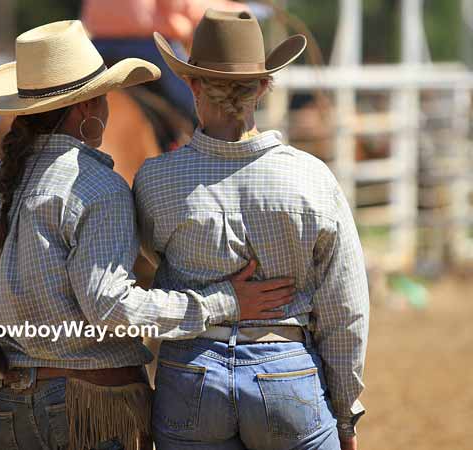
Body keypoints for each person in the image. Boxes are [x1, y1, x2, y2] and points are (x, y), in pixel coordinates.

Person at [0, 20, 295, 450]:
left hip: (7, 405)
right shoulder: (97, 188)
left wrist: (20, 355)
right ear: (86, 110)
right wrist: (223, 301)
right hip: (92, 407)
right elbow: (110, 306)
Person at [133, 10, 369, 450]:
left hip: (192, 369)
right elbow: (345, 308)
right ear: (263, 86)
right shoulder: (312, 178)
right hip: (285, 364)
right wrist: (346, 412)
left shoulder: (155, 179)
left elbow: (147, 258)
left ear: (193, 84)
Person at [82, 0, 248, 123]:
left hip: (99, 46)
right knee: (198, 101)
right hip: (148, 45)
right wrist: (236, 11)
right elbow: (178, 5)